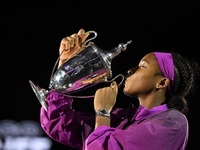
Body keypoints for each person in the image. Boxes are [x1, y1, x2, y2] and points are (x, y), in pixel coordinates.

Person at [40, 29, 195, 150]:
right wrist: (68, 70)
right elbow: (61, 125)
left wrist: (102, 112)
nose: (130, 70)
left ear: (161, 82)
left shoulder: (171, 122)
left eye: (142, 66)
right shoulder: (121, 119)